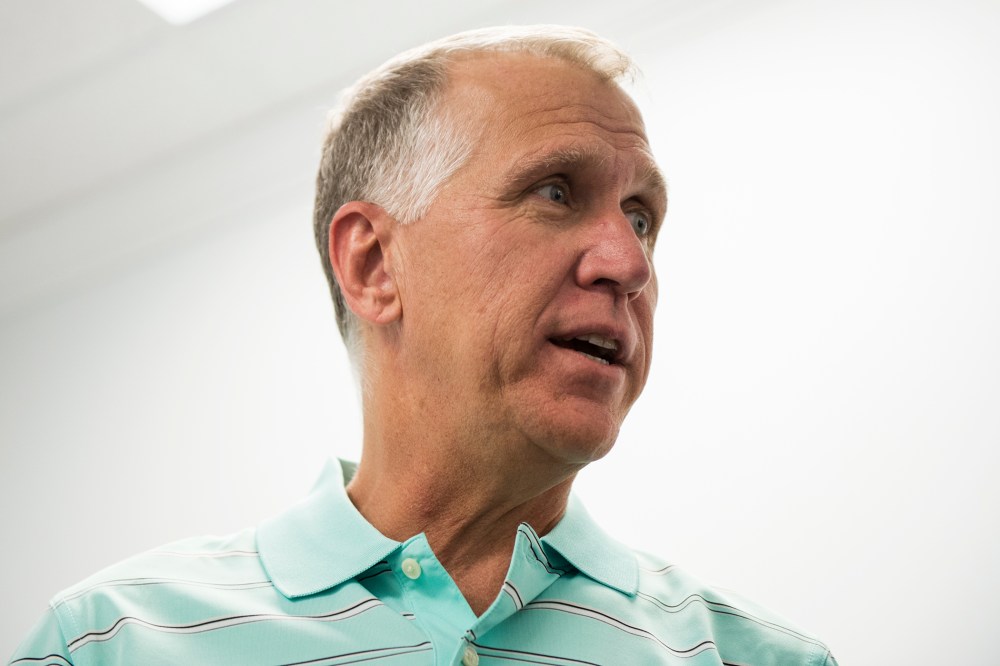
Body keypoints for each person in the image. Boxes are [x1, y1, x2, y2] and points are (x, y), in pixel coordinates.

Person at [10, 25, 837, 666]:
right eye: (555, 191)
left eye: (642, 218)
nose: (627, 263)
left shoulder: (755, 657)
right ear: (373, 265)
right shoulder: (108, 643)